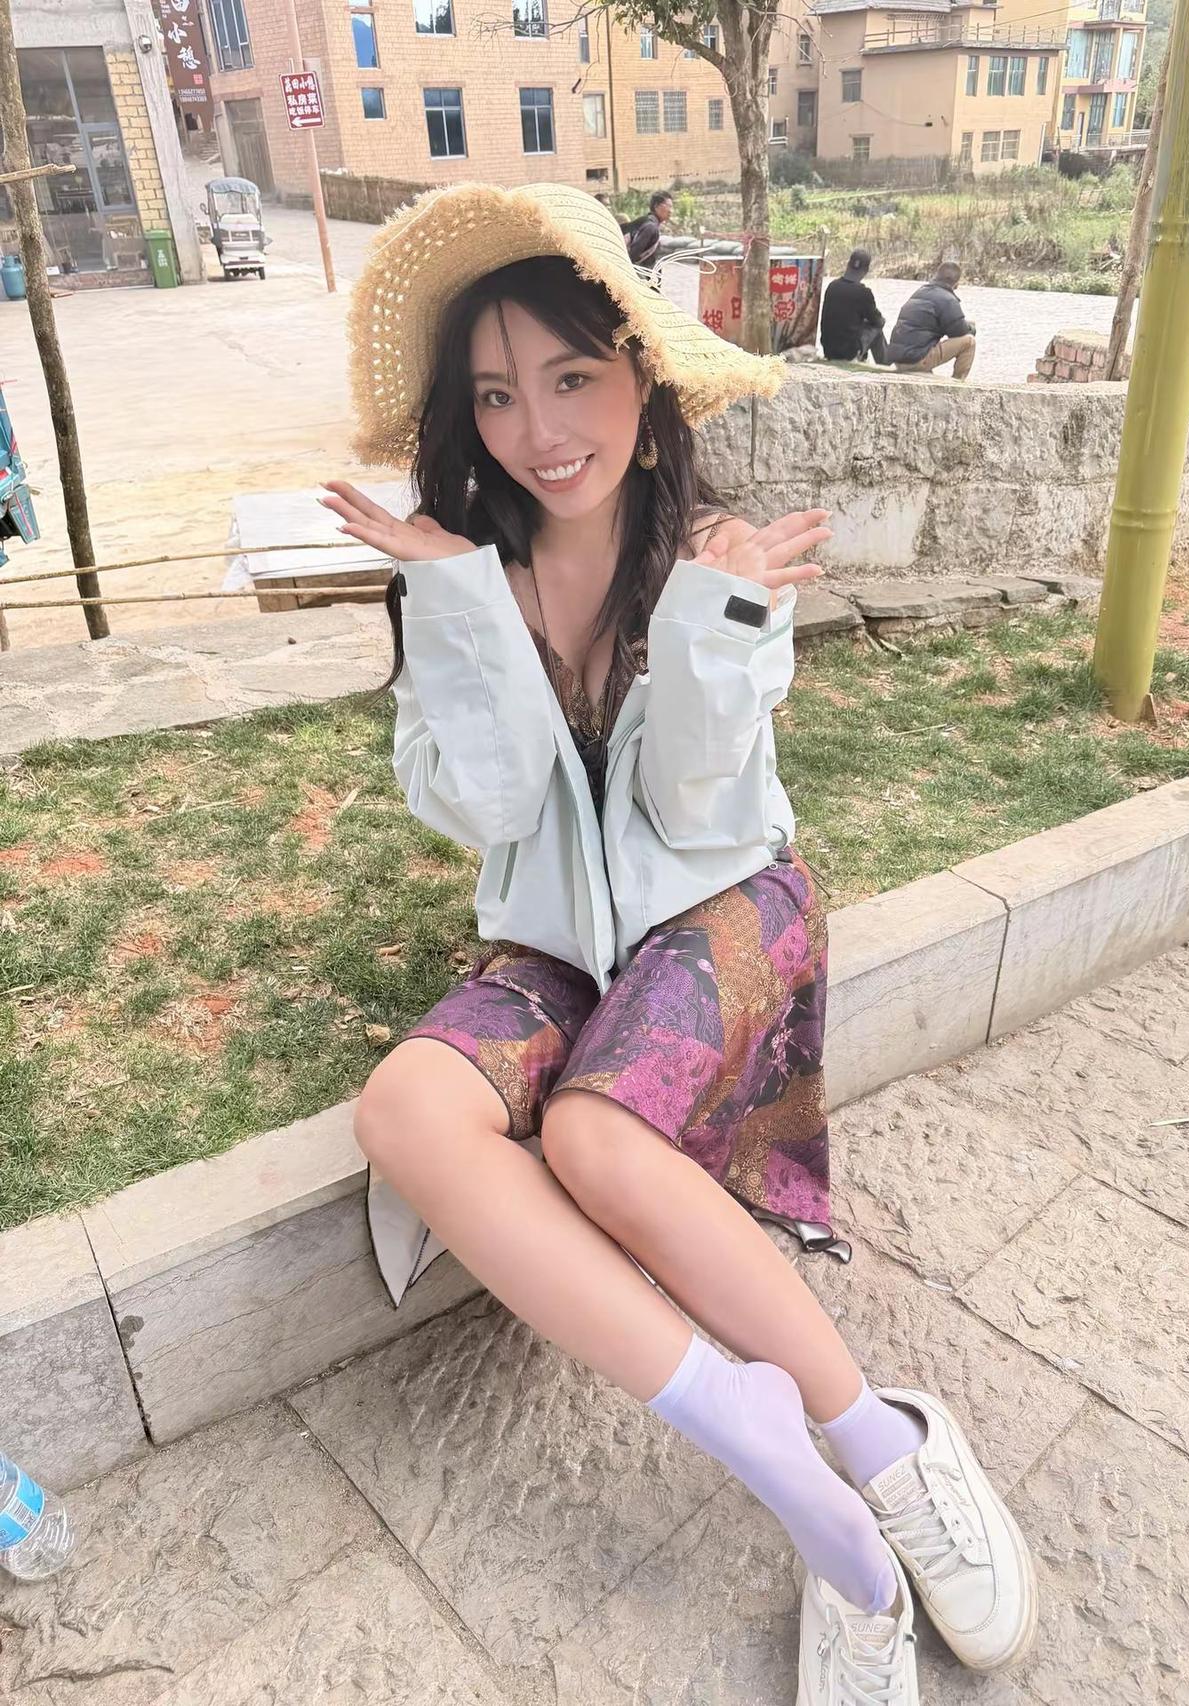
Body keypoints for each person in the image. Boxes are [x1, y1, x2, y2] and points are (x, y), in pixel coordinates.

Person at [324, 181, 1036, 1706]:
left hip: (727, 903)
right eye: (495, 395)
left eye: (571, 376)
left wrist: (713, 619)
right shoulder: (463, 569)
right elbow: (486, 804)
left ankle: (880, 1441)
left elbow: (700, 799)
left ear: (644, 382)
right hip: (556, 947)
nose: (537, 429)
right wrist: (458, 598)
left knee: (596, 1134)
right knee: (405, 1113)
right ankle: (776, 1450)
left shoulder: (712, 549)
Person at [887, 260, 977, 379]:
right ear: (956, 284)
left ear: (936, 276)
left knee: (924, 340)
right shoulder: (948, 300)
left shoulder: (921, 291)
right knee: (969, 341)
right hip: (916, 359)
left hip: (898, 359)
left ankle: (923, 371)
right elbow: (959, 332)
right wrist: (971, 327)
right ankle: (958, 383)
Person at [820, 247, 889, 365]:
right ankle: (885, 365)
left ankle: (863, 358)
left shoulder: (832, 286)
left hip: (828, 350)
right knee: (877, 330)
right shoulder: (864, 293)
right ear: (866, 270)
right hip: (848, 352)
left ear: (848, 265)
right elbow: (878, 321)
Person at [622, 189, 673, 268]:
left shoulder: (647, 221)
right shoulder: (650, 227)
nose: (670, 211)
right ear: (656, 206)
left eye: (671, 207)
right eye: (668, 206)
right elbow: (633, 255)